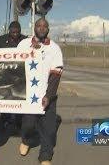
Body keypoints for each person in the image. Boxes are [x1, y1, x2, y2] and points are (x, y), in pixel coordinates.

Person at [17, 17, 63, 165]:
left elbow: (56, 74)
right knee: (28, 125)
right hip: (28, 95)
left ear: (48, 29)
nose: (42, 28)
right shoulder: (23, 44)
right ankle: (27, 140)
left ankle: (45, 156)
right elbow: (13, 65)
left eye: (45, 26)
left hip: (47, 95)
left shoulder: (54, 48)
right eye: (39, 25)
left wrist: (49, 96)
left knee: (49, 130)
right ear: (34, 27)